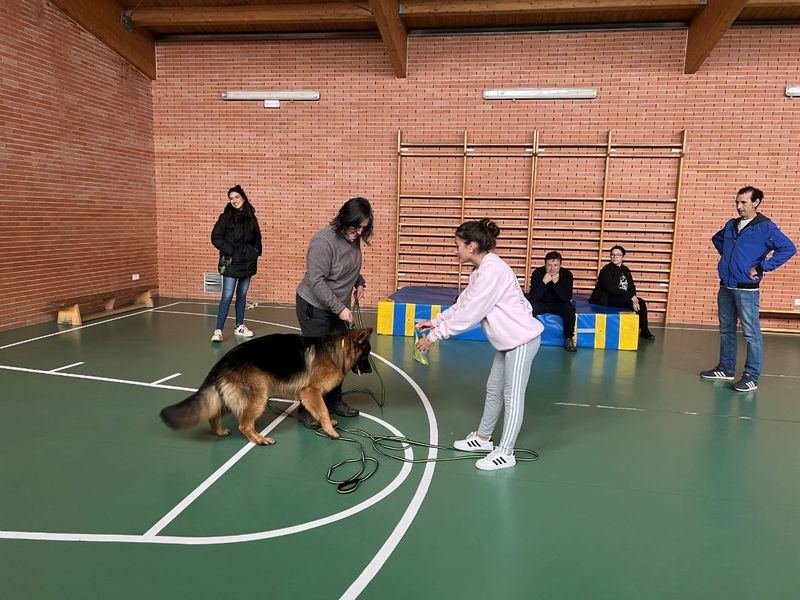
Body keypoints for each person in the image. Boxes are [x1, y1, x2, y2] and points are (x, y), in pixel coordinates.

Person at [415, 219, 543, 471]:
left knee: (512, 396)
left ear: (471, 246)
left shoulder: (492, 272)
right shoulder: (480, 271)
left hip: (521, 341)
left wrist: (434, 336)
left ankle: (506, 452)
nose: (456, 250)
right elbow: (463, 303)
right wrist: (435, 321)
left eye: (458, 245)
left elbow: (470, 314)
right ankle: (484, 439)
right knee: (493, 389)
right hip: (508, 341)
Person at [700, 186, 796, 392]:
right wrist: (729, 259)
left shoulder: (766, 227)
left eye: (743, 202)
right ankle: (726, 368)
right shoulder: (731, 224)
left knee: (751, 334)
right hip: (726, 286)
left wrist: (762, 266)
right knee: (726, 330)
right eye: (737, 202)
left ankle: (751, 376)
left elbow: (789, 248)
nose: (739, 206)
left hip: (747, 290)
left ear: (756, 202)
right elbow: (718, 240)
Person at [295, 197, 374, 428]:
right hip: (314, 307)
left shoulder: (352, 238)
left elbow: (348, 266)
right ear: (343, 219)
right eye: (355, 226)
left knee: (341, 357)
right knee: (318, 362)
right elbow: (316, 280)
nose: (359, 232)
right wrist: (340, 308)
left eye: (363, 228)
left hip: (337, 307)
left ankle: (334, 401)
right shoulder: (323, 241)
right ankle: (307, 410)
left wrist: (359, 282)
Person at [210, 185, 262, 342]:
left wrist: (255, 252)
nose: (234, 201)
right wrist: (230, 250)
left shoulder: (251, 217)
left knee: (242, 295)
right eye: (231, 199)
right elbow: (216, 237)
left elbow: (257, 237)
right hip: (232, 262)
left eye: (236, 197)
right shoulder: (225, 217)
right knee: (227, 296)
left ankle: (239, 326)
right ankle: (218, 331)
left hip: (247, 262)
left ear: (243, 198)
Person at [589, 245, 655, 340]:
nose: (615, 257)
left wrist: (633, 297)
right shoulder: (606, 270)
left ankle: (644, 331)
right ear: (610, 256)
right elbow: (610, 288)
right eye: (613, 255)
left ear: (622, 257)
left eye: (618, 255)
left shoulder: (625, 270)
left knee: (641, 302)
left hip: (622, 297)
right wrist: (629, 297)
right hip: (608, 298)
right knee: (630, 300)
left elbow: (631, 286)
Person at [528, 251, 577, 352]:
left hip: (559, 304)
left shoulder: (567, 274)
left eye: (555, 265)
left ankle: (568, 338)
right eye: (549, 265)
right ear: (545, 265)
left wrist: (556, 282)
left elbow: (566, 298)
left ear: (560, 265)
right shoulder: (537, 273)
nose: (552, 268)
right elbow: (534, 297)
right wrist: (544, 282)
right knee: (529, 306)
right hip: (541, 303)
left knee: (569, 308)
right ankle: (528, 336)